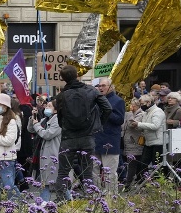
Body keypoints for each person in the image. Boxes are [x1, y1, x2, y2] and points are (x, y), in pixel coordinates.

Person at [53, 66, 111, 199]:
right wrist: (98, 123)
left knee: (63, 172)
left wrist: (65, 127)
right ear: (77, 75)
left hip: (68, 137)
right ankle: (90, 200)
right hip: (87, 136)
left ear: (62, 79)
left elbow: (60, 117)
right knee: (87, 172)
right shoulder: (91, 90)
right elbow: (107, 108)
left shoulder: (61, 95)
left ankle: (61, 201)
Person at [93, 78, 125, 193]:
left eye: (103, 86)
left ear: (110, 87)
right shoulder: (96, 100)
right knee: (93, 171)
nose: (100, 88)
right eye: (99, 86)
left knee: (109, 174)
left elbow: (120, 120)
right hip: (95, 140)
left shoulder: (117, 101)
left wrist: (106, 111)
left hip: (109, 141)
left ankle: (110, 198)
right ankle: (95, 196)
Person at [28, 100, 61, 201]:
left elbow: (47, 135)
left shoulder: (58, 120)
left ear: (56, 109)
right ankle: (44, 204)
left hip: (52, 154)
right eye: (46, 106)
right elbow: (31, 129)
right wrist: (33, 118)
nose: (46, 108)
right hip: (42, 154)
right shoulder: (45, 120)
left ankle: (43, 204)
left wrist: (36, 125)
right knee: (46, 182)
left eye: (49, 107)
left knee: (52, 183)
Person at [129, 94, 166, 183]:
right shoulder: (146, 112)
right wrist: (136, 125)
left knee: (156, 165)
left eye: (142, 104)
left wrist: (139, 124)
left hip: (158, 142)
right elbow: (145, 126)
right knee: (143, 164)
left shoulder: (158, 112)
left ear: (148, 102)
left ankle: (158, 185)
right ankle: (144, 184)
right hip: (149, 142)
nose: (141, 106)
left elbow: (155, 126)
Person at [122, 98, 146, 190]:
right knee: (131, 163)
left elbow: (132, 125)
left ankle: (129, 184)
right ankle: (135, 181)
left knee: (132, 163)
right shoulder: (130, 114)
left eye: (130, 105)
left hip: (135, 142)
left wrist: (129, 114)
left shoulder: (140, 115)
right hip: (128, 142)